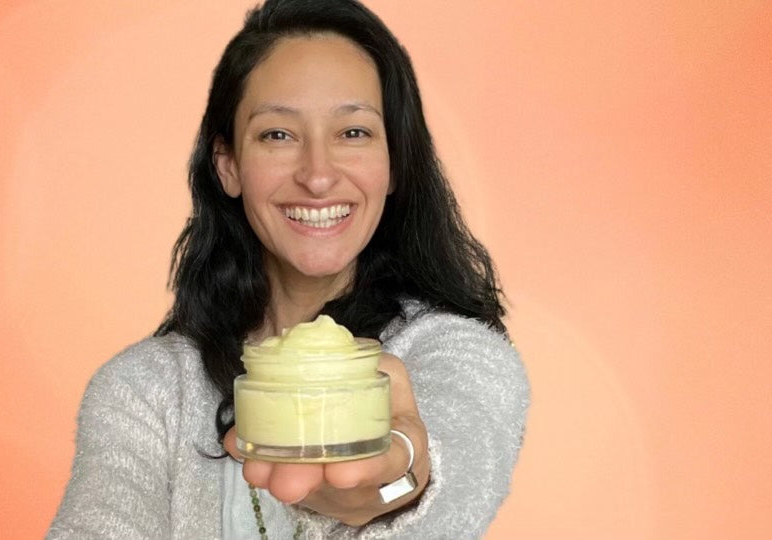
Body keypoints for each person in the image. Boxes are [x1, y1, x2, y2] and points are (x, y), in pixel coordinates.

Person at [48, 0, 529, 538]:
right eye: (278, 134)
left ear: (396, 163)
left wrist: (400, 482)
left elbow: (449, 456)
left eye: (354, 133)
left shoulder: (461, 354)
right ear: (228, 164)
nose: (318, 176)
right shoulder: (145, 389)